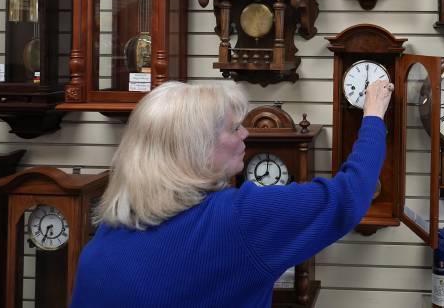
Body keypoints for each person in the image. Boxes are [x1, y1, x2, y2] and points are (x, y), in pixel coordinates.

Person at [69, 79, 393, 307]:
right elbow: (349, 195)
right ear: (197, 148)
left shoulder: (103, 241)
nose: (246, 133)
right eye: (234, 128)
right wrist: (374, 116)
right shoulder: (238, 220)